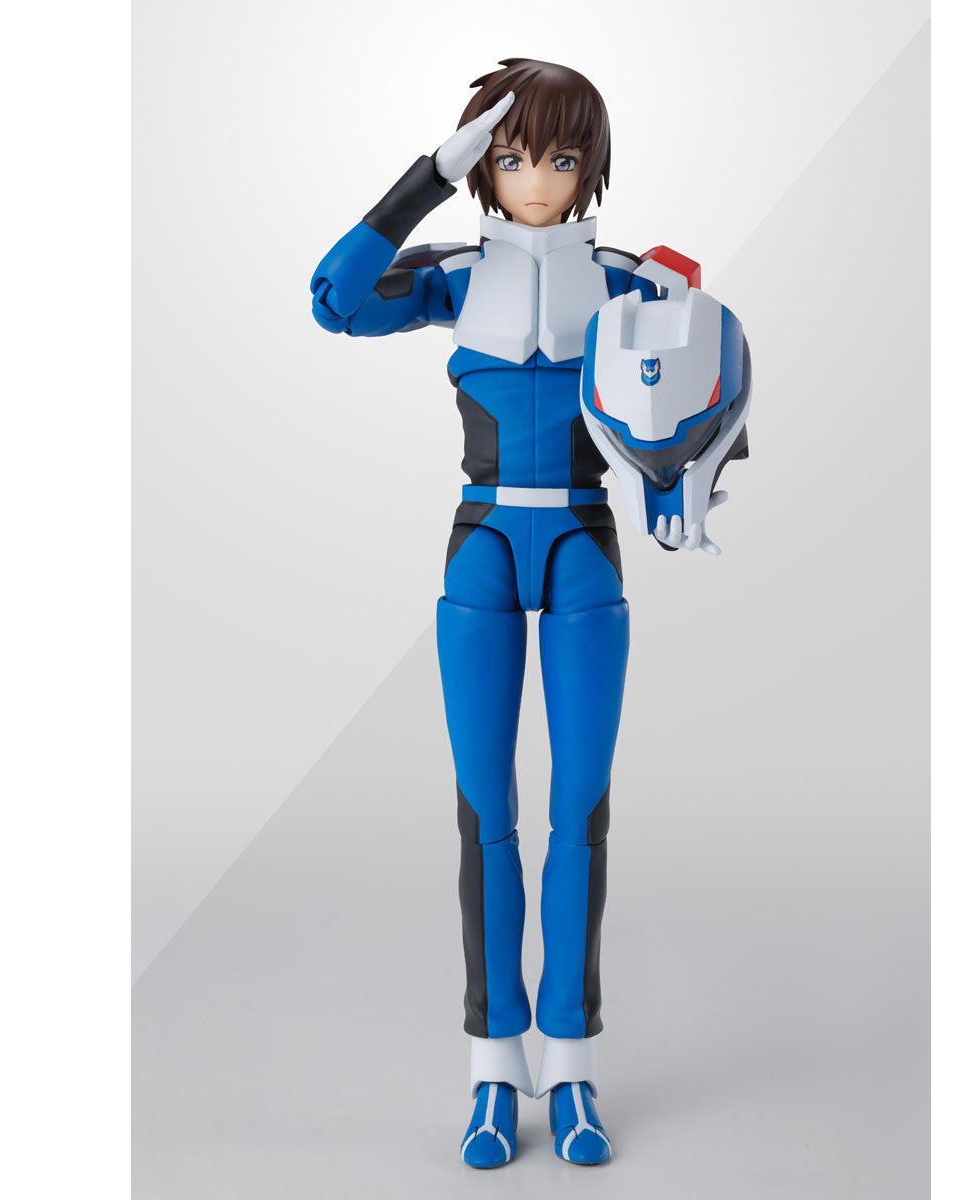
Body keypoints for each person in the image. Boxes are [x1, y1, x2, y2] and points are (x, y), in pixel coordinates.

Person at [310, 57, 748, 1168]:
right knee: (486, 818)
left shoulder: (632, 280)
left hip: (588, 549)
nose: (539, 179)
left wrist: (685, 487)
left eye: (559, 157)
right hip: (485, 548)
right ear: (486, 166)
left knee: (579, 818)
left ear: (590, 166)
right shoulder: (457, 276)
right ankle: (493, 1069)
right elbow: (334, 299)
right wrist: (429, 175)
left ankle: (573, 1061)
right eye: (512, 157)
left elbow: (719, 380)